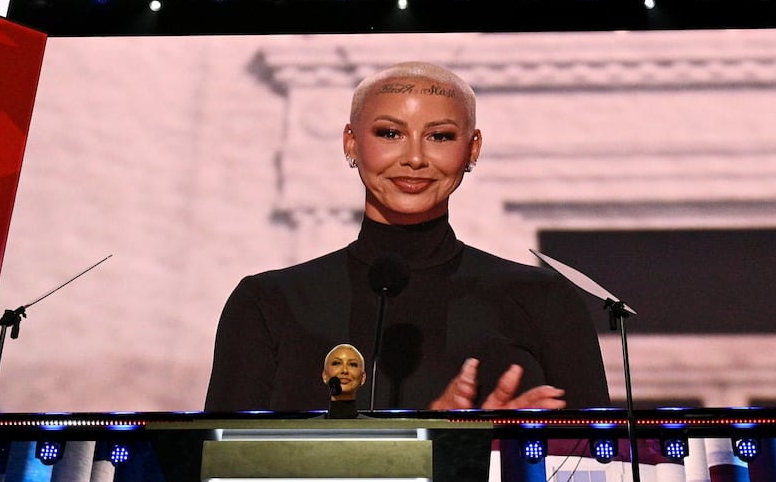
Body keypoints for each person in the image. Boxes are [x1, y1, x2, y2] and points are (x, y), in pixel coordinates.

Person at [205, 61, 609, 411]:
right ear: (351, 142)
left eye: (440, 136)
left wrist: (505, 445)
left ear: (472, 149)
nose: (414, 157)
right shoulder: (268, 303)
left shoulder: (543, 299)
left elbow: (601, 474)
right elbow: (215, 472)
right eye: (389, 133)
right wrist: (440, 436)